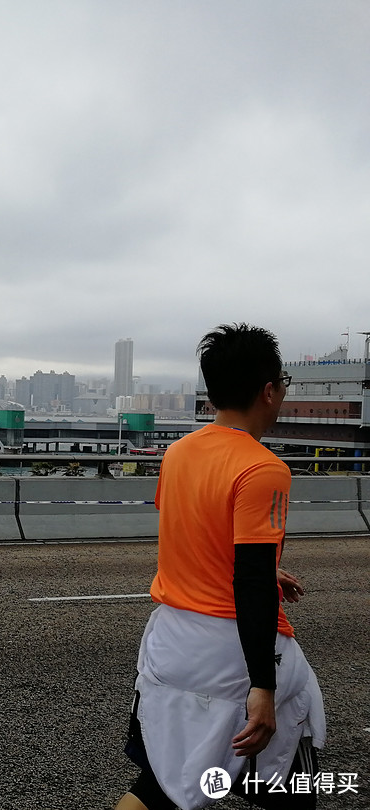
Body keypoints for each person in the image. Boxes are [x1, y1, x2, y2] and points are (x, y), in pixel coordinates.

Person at [115, 324, 325, 810]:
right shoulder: (264, 468)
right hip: (231, 656)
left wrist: (263, 568)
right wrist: (263, 686)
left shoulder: (178, 453)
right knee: (291, 792)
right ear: (269, 390)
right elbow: (249, 583)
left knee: (160, 787)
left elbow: (195, 534)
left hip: (172, 645)